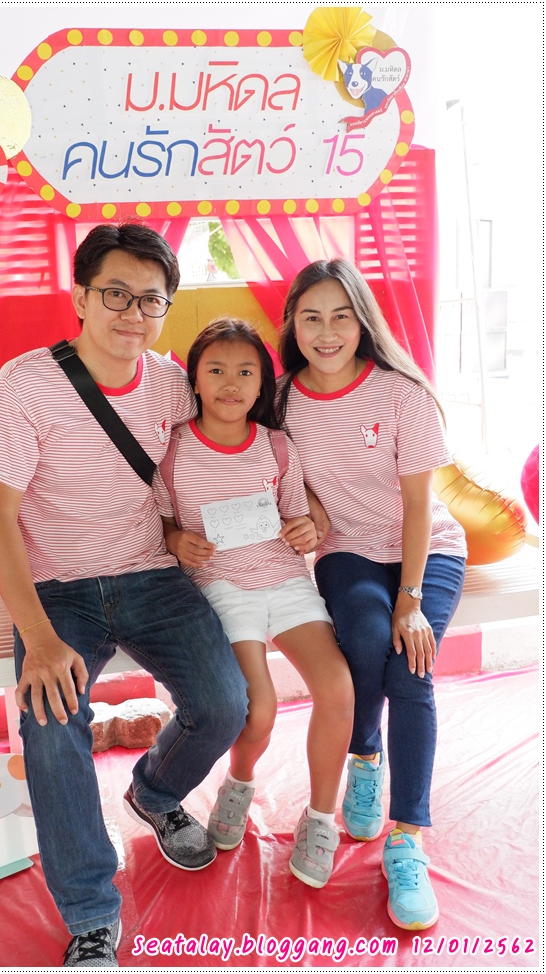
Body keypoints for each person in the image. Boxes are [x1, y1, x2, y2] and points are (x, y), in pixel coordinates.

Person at [0, 225, 248, 967]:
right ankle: (91, 912)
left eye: (151, 300)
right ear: (81, 297)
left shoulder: (173, 384)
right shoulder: (25, 384)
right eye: (116, 294)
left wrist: (194, 528)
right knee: (51, 721)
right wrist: (40, 639)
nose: (133, 313)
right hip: (58, 590)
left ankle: (153, 792)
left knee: (226, 704)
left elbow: (206, 462)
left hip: (152, 574)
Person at [276, 259, 467, 930]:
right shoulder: (282, 400)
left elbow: (418, 506)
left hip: (427, 549)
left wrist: (410, 600)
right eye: (311, 318)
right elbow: (294, 481)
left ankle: (406, 840)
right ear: (292, 325)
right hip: (349, 550)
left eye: (341, 316)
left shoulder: (402, 393)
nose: (327, 332)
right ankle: (365, 755)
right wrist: (311, 516)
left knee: (411, 666)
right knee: (360, 640)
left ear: (362, 322)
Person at [155, 316, 354, 889]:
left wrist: (306, 531)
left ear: (263, 383)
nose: (231, 383)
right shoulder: (172, 449)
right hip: (221, 586)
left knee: (338, 690)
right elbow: (159, 521)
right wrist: (176, 540)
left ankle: (321, 820)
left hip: (286, 580)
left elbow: (299, 518)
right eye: (216, 370)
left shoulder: (277, 445)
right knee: (257, 707)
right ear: (194, 379)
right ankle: (238, 783)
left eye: (246, 372)